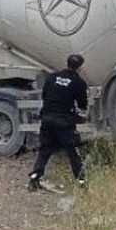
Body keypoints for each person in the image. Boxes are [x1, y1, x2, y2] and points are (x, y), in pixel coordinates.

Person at [28, 53, 88, 190]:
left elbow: (44, 96)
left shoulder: (52, 77)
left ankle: (34, 178)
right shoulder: (79, 82)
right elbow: (82, 105)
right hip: (64, 122)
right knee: (73, 151)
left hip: (47, 119)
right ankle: (82, 182)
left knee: (45, 149)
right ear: (80, 67)